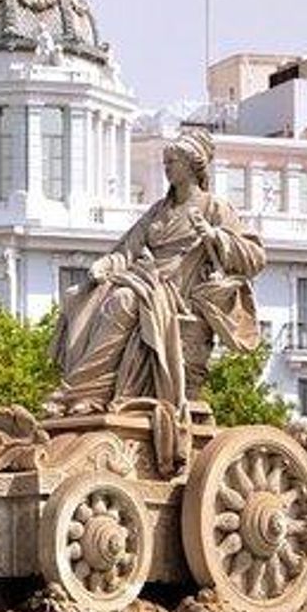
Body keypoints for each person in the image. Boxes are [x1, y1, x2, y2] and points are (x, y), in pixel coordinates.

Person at [46, 127, 265, 417]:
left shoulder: (214, 208)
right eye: (165, 164)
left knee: (123, 300)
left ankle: (82, 391)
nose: (167, 170)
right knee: (83, 297)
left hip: (179, 291)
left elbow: (255, 257)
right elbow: (127, 250)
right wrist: (104, 265)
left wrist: (214, 236)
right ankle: (86, 394)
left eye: (172, 163)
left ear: (191, 165)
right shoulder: (158, 210)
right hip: (146, 279)